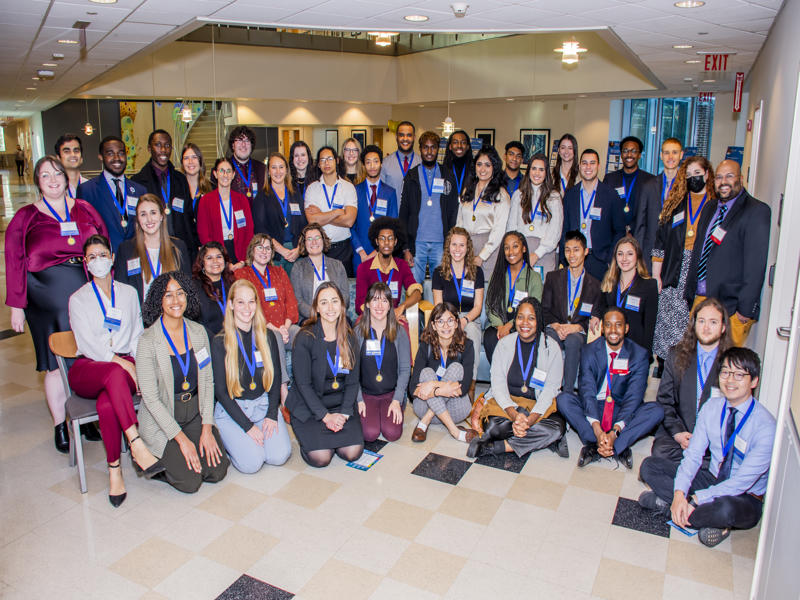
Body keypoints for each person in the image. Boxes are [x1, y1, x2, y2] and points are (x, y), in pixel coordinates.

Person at [5, 155, 107, 453]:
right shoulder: (26, 216)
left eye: (57, 173)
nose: (53, 180)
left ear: (66, 177)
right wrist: (16, 306)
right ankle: (60, 424)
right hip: (46, 298)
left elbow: (103, 245)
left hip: (85, 292)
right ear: (37, 182)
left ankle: (85, 419)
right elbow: (14, 260)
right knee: (55, 363)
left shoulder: (84, 209)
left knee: (87, 356)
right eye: (45, 175)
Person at [639, 347, 775, 548]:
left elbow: (741, 482)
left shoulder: (766, 427)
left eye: (739, 375)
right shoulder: (711, 408)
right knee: (649, 467)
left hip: (744, 496)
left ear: (754, 381)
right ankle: (691, 512)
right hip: (711, 478)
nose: (730, 380)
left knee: (725, 509)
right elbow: (693, 456)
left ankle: (673, 508)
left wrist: (695, 499)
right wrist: (679, 493)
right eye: (725, 372)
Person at [67, 235, 164, 506]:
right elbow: (86, 342)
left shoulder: (129, 293)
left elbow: (136, 335)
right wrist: (120, 362)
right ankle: (136, 442)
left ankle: (114, 471)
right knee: (114, 373)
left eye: (102, 255)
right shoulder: (78, 299)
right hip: (90, 366)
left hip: (124, 365)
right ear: (86, 263)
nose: (98, 261)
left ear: (112, 258)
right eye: (91, 257)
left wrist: (137, 364)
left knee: (108, 404)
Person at [136, 271, 229, 492]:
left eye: (180, 293)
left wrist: (207, 428)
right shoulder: (148, 341)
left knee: (217, 471)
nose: (176, 300)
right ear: (159, 300)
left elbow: (207, 382)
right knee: (190, 482)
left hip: (194, 412)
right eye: (168, 295)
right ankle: (154, 463)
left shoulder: (198, 332)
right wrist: (182, 440)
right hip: (163, 417)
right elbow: (150, 399)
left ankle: (183, 453)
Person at [558, 307, 664, 469]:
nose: (613, 330)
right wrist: (597, 429)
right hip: (596, 408)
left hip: (622, 408)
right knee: (563, 400)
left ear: (626, 328)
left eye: (618, 325)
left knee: (656, 411)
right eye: (608, 325)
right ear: (602, 328)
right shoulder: (589, 350)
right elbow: (587, 390)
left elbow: (633, 397)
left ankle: (610, 444)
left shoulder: (639, 355)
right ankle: (601, 441)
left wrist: (615, 431)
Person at [684, 160, 771, 347]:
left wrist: (745, 309)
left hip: (731, 307)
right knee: (694, 355)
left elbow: (756, 265)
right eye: (719, 177)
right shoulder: (710, 208)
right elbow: (700, 250)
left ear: (741, 178)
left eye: (729, 176)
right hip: (700, 298)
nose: (723, 182)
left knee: (725, 361)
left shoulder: (756, 211)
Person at [467, 297, 568, 459]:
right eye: (520, 317)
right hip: (509, 404)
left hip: (538, 405)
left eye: (531, 318)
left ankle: (498, 447)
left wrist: (530, 419)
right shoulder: (504, 345)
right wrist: (515, 416)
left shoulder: (551, 348)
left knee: (556, 428)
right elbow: (498, 386)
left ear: (538, 320)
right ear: (515, 320)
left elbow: (550, 390)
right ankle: (540, 439)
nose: (525, 323)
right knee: (493, 427)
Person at [211, 280, 292, 473]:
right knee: (252, 464)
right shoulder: (220, 342)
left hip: (262, 404)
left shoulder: (268, 336)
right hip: (234, 410)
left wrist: (272, 414)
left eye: (251, 302)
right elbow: (221, 392)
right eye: (240, 302)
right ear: (231, 304)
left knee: (278, 456)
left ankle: (249, 440)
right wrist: (248, 427)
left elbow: (275, 379)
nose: (247, 308)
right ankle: (231, 442)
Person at [285, 282, 364, 467]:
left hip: (339, 403)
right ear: (317, 308)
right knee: (321, 458)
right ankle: (316, 440)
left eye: (335, 301)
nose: (330, 307)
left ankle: (333, 437)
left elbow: (353, 382)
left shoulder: (350, 337)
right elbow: (303, 385)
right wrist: (326, 417)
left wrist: (344, 414)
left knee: (353, 452)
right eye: (324, 302)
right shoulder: (305, 337)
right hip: (309, 406)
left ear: (342, 305)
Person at [651, 156, 716, 371]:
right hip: (673, 267)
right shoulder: (675, 204)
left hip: (699, 269)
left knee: (690, 323)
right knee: (668, 320)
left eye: (697, 174)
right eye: (688, 175)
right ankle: (665, 365)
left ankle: (685, 367)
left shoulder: (716, 206)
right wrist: (656, 275)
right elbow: (660, 242)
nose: (692, 178)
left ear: (707, 174)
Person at [651, 298, 731, 464]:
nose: (706, 327)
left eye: (713, 322)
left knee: (725, 460)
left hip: (713, 437)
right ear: (694, 324)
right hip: (683, 430)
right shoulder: (676, 355)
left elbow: (734, 411)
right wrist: (679, 433)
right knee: (660, 452)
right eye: (701, 321)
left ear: (723, 327)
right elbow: (664, 401)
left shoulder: (732, 363)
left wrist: (707, 439)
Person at [408, 302, 477, 444]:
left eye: (450, 320)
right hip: (424, 406)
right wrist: (443, 390)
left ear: (456, 323)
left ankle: (424, 422)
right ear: (433, 325)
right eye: (440, 321)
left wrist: (433, 386)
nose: (446, 326)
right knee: (426, 372)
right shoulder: (425, 346)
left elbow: (464, 387)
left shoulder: (467, 345)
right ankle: (454, 431)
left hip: (455, 409)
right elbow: (412, 389)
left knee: (456, 368)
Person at [542, 230, 601, 392]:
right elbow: (544, 309)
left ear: (586, 251)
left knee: (573, 341)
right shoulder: (553, 277)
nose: (571, 255)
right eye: (567, 250)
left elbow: (595, 316)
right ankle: (547, 389)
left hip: (577, 331)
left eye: (576, 250)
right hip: (555, 327)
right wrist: (556, 325)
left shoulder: (595, 285)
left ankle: (567, 391)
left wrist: (577, 327)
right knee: (551, 339)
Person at [399, 131, 460, 285]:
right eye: (425, 147)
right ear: (420, 149)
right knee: (413, 286)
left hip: (441, 242)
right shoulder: (411, 176)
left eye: (433, 147)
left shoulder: (448, 175)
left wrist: (450, 242)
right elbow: (403, 214)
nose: (429, 151)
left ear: (438, 149)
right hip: (416, 243)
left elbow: (454, 211)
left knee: (439, 287)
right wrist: (405, 248)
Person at [234, 235, 300, 375]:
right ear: (252, 250)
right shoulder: (242, 274)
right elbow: (248, 308)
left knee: (302, 335)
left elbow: (291, 302)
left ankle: (304, 382)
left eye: (268, 248)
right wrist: (276, 329)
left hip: (285, 326)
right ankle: (283, 385)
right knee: (275, 337)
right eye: (260, 247)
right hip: (260, 327)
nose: (264, 251)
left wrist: (285, 327)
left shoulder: (279, 272)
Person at [356, 282, 411, 442]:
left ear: (390, 306)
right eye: (375, 300)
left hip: (391, 394)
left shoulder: (400, 332)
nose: (379, 305)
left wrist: (397, 400)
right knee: (369, 434)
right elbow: (352, 370)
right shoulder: (358, 332)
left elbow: (405, 369)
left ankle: (390, 408)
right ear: (367, 304)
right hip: (366, 394)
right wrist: (359, 399)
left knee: (392, 433)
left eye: (384, 300)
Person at [113, 194, 191, 306]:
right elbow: (121, 291)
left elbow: (187, 288)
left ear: (161, 216)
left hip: (172, 313)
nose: (149, 219)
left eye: (153, 213)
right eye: (143, 214)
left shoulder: (179, 247)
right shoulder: (126, 250)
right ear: (138, 219)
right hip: (140, 314)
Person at [560, 148, 626, 282]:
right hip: (574, 258)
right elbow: (564, 229)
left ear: (598, 166)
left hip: (600, 260)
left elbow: (619, 231)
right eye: (584, 163)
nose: (588, 167)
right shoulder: (570, 195)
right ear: (579, 166)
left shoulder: (611, 195)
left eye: (592, 163)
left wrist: (610, 258)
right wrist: (563, 258)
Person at [132, 129, 198, 258]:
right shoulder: (138, 182)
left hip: (181, 249)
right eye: (158, 145)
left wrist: (194, 249)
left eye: (167, 145)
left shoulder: (180, 179)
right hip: (152, 250)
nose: (163, 150)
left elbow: (189, 218)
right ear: (149, 149)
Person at [590, 235, 659, 357]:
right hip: (610, 348)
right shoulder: (609, 283)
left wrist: (645, 357)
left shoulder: (649, 285)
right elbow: (601, 306)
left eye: (629, 254)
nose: (624, 258)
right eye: (620, 254)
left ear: (637, 257)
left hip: (634, 352)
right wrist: (596, 316)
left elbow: (650, 326)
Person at [432, 227, 485, 384]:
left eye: (462, 245)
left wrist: (464, 320)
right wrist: (451, 321)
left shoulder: (477, 272)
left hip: (470, 319)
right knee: (445, 332)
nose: (457, 249)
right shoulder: (439, 273)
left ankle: (470, 384)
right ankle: (445, 382)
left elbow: (478, 306)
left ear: (468, 248)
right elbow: (438, 306)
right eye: (454, 244)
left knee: (472, 332)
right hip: (446, 318)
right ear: (448, 247)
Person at [77, 136, 146, 253]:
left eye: (121, 153)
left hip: (136, 256)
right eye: (110, 153)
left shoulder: (140, 190)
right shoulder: (87, 190)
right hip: (105, 258)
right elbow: (83, 230)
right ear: (100, 156)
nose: (117, 158)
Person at [483, 231, 543, 362]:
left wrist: (510, 325)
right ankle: (498, 374)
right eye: (506, 248)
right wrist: (500, 326)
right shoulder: (497, 275)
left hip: (522, 324)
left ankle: (514, 374)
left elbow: (536, 308)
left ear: (524, 248)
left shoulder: (534, 278)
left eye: (515, 246)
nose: (511, 252)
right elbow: (489, 305)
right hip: (497, 324)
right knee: (490, 338)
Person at [455, 145, 511, 276]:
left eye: (487, 165)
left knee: (485, 285)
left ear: (494, 168)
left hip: (490, 249)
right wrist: (458, 245)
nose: (482, 169)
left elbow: (500, 229)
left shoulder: (501, 194)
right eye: (479, 164)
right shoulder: (468, 190)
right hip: (466, 247)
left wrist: (482, 255)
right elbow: (459, 222)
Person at [506, 152, 563, 277]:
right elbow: (511, 228)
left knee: (541, 288)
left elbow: (555, 231)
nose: (537, 173)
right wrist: (516, 250)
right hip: (520, 252)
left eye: (541, 170)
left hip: (544, 253)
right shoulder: (518, 195)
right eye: (534, 168)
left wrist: (537, 254)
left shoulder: (554, 197)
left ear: (546, 173)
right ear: (528, 171)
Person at [304, 146, 358, 277]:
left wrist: (321, 214)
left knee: (343, 287)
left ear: (337, 160)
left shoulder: (348, 187)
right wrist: (337, 212)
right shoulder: (312, 188)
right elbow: (312, 220)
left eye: (329, 158)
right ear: (318, 164)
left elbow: (349, 221)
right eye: (322, 160)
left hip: (343, 250)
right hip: (319, 249)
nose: (326, 163)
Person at [355, 217, 422, 320]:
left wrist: (401, 307)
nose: (386, 242)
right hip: (371, 317)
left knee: (403, 327)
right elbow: (360, 305)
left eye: (390, 238)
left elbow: (416, 293)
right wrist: (381, 316)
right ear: (377, 241)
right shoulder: (364, 268)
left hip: (394, 317)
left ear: (395, 241)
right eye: (382, 238)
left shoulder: (402, 265)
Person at [252, 152, 307, 274]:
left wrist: (299, 249)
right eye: (274, 167)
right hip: (274, 254)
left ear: (286, 170)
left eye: (281, 167)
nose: (278, 171)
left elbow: (304, 225)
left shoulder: (295, 194)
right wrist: (282, 250)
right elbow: (260, 229)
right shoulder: (261, 197)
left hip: (296, 254)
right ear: (268, 172)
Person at [634, 138, 684, 271]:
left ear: (681, 155)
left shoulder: (686, 187)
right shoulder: (648, 186)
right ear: (661, 156)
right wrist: (639, 256)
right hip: (650, 253)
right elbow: (640, 225)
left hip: (675, 253)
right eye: (666, 153)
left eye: (674, 152)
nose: (670, 157)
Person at [197, 157, 254, 266]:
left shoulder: (242, 200)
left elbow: (249, 231)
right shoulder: (206, 201)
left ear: (233, 175)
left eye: (228, 171)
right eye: (221, 171)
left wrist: (243, 260)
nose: (225, 175)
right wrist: (217, 258)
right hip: (217, 254)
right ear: (215, 174)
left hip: (240, 254)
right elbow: (203, 234)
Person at [351, 144, 399, 272]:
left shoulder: (390, 192)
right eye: (368, 162)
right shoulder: (355, 191)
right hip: (360, 254)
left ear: (381, 164)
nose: (372, 166)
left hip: (383, 252)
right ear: (363, 165)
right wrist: (361, 251)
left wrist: (377, 251)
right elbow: (350, 226)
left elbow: (393, 225)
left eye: (376, 161)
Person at [291, 223, 350, 321]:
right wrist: (317, 314)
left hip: (336, 315)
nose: (314, 242)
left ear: (323, 240)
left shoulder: (337, 265)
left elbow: (345, 297)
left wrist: (333, 312)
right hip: (310, 318)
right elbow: (298, 301)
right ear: (304, 243)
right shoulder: (298, 268)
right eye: (309, 239)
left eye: (317, 238)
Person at [603, 136, 655, 230]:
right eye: (625, 151)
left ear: (639, 155)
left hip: (639, 233)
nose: (629, 155)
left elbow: (650, 211)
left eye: (634, 151)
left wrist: (630, 228)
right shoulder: (609, 179)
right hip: (614, 232)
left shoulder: (650, 180)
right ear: (621, 154)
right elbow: (605, 209)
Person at [191, 242, 235, 338]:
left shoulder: (233, 284)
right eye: (209, 258)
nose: (215, 261)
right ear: (202, 263)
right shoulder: (193, 288)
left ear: (225, 260)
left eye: (219, 257)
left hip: (234, 338)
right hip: (208, 340)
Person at [381, 120, 420, 203]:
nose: (405, 139)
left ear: (414, 137)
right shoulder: (385, 163)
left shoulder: (421, 163)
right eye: (401, 135)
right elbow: (381, 194)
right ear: (396, 137)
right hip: (392, 211)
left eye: (409, 135)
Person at [228, 126, 266, 200]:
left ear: (251, 145)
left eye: (247, 141)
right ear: (233, 145)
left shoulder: (262, 169)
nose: (243, 145)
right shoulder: (222, 169)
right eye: (239, 140)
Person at [180, 142, 213, 217]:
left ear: (200, 161)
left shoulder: (212, 189)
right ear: (182, 163)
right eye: (186, 158)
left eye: (194, 157)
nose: (190, 162)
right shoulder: (177, 188)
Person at [442, 130, 473, 200]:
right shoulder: (443, 169)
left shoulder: (474, 169)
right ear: (450, 146)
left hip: (468, 205)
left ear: (468, 146)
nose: (459, 146)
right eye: (455, 142)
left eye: (463, 142)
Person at [55, 134, 87, 199]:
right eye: (67, 151)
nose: (73, 155)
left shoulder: (91, 186)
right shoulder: (54, 187)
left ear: (81, 158)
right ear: (58, 158)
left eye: (76, 151)